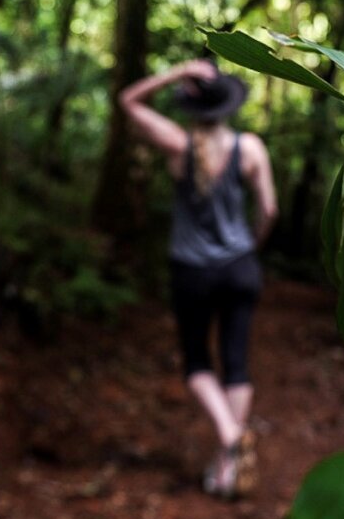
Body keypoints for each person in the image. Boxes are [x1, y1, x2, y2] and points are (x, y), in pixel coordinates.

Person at [118, 59, 278, 497]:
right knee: (237, 364)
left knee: (197, 363)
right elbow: (268, 210)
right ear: (227, 104)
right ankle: (228, 467)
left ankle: (228, 439)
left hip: (192, 270)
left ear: (191, 107)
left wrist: (174, 73)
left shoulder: (177, 144)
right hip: (240, 266)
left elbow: (128, 100)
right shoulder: (251, 149)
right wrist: (250, 246)